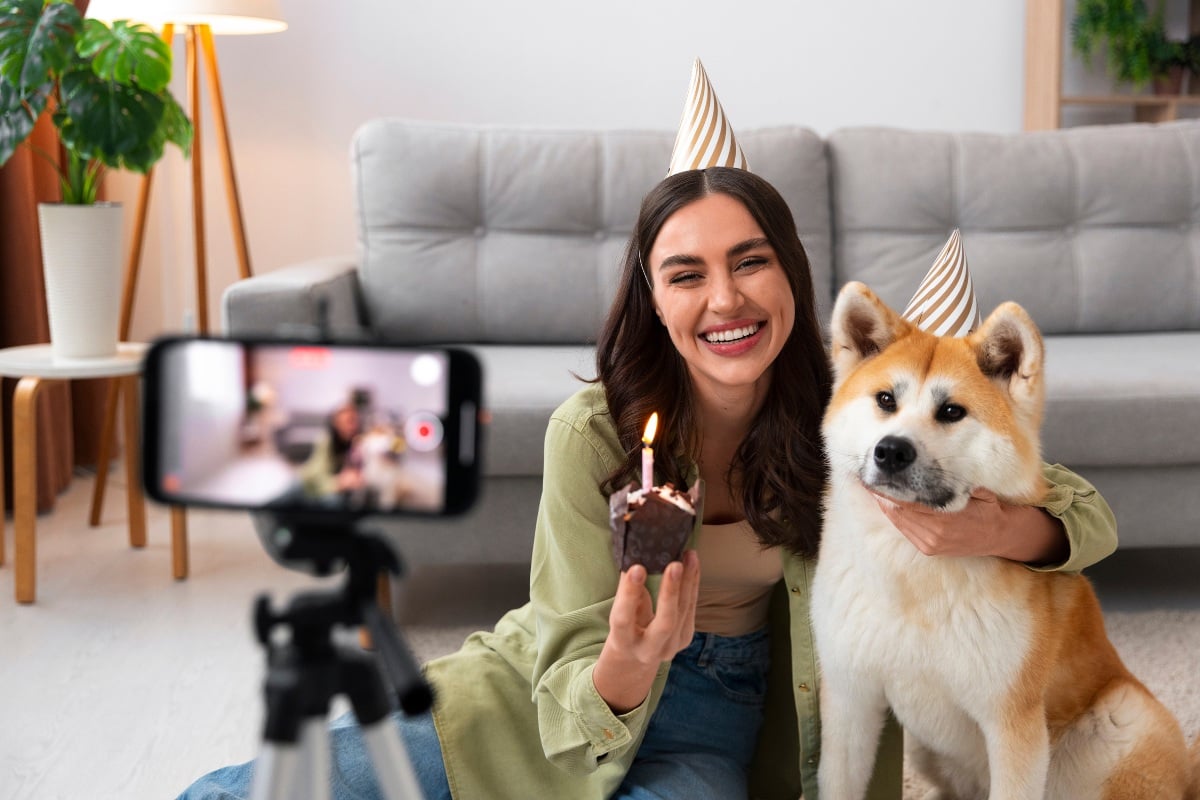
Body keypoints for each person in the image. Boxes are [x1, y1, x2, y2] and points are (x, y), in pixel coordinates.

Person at [180, 61, 1117, 800]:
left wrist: (998, 529)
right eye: (686, 273)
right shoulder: (592, 432)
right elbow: (567, 654)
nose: (725, 299)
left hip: (722, 722)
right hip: (541, 702)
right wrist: (629, 661)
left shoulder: (849, 420)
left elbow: (1077, 508)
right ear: (653, 297)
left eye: (751, 261)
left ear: (790, 274)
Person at [298, 402, 366, 503]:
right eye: (348, 421)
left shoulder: (357, 443)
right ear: (336, 424)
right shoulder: (326, 441)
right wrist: (339, 483)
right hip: (307, 485)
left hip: (337, 490)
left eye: (355, 421)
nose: (353, 426)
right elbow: (316, 479)